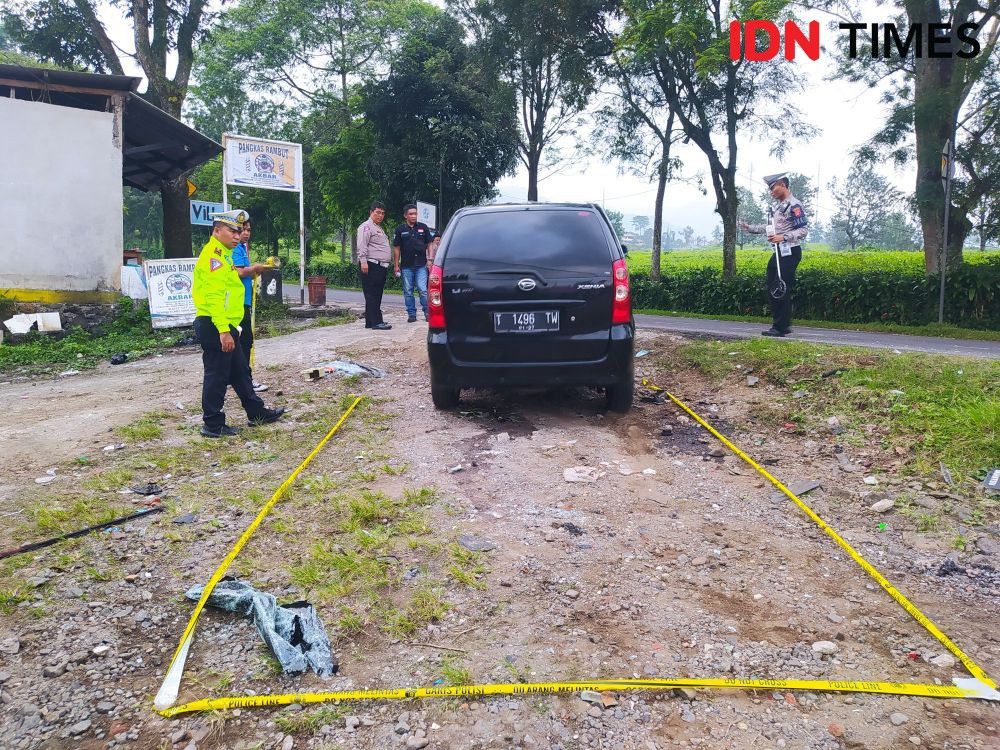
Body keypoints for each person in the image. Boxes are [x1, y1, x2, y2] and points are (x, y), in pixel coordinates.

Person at [192, 209, 284, 438]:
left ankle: (257, 412)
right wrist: (223, 330)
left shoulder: (224, 254)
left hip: (228, 325)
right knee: (217, 375)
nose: (237, 235)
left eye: (239, 231)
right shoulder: (213, 257)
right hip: (216, 325)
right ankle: (212, 424)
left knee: (240, 372)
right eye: (232, 231)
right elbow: (213, 298)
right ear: (217, 230)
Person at [739, 173, 808, 337]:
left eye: (772, 188)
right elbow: (771, 228)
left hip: (790, 251)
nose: (771, 192)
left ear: (782, 184)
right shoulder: (779, 206)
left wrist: (783, 237)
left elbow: (803, 230)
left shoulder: (795, 205)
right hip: (779, 252)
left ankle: (779, 327)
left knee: (780, 287)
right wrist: (750, 228)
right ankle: (783, 325)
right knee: (773, 284)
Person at [231, 218, 271, 392]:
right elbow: (239, 272)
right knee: (245, 341)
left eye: (248, 230)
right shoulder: (235, 249)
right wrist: (256, 268)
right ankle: (245, 380)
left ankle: (238, 378)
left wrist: (256, 270)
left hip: (243, 299)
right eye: (242, 230)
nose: (246, 233)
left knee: (242, 342)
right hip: (237, 302)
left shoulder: (243, 248)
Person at [392, 204, 433, 322]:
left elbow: (430, 243)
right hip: (406, 266)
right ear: (405, 215)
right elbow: (396, 248)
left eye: (415, 214)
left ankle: (427, 312)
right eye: (411, 214)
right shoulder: (400, 230)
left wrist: (430, 259)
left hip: (421, 265)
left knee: (422, 289)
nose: (414, 216)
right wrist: (396, 265)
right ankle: (411, 314)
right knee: (408, 291)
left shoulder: (423, 227)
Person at [357, 201, 393, 330]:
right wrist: (363, 261)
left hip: (380, 266)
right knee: (372, 294)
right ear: (371, 212)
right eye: (378, 212)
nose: (380, 216)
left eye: (383, 213)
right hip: (370, 264)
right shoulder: (366, 227)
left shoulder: (378, 228)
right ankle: (377, 322)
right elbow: (362, 245)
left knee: (376, 294)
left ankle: (370, 322)